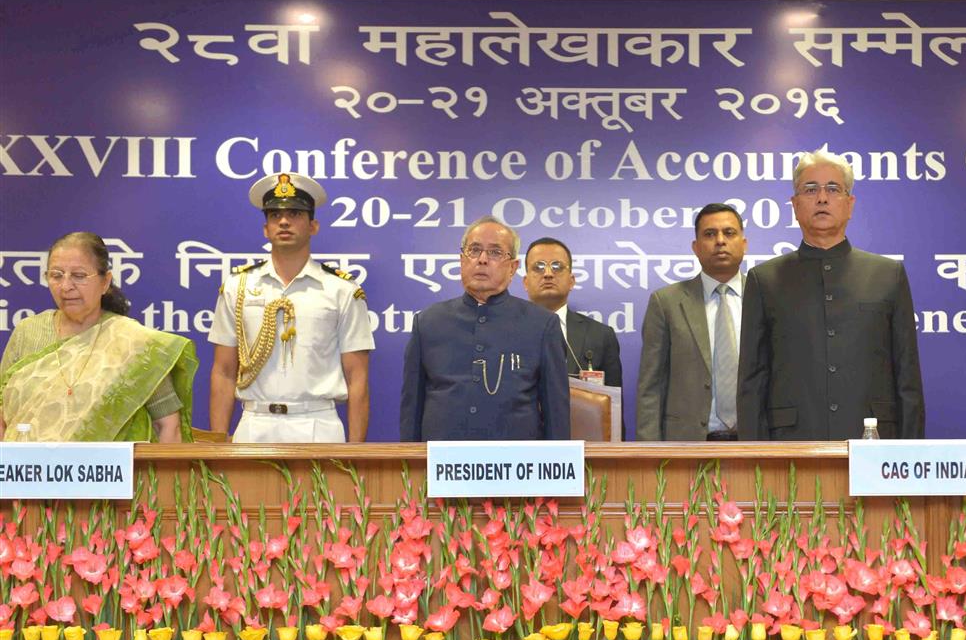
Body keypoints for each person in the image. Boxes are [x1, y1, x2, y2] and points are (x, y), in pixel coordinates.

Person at [737, 147, 925, 440]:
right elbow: (752, 381)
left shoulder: (888, 274)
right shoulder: (764, 280)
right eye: (810, 189)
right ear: (795, 205)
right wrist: (753, 458)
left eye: (833, 189)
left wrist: (911, 456)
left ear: (850, 204)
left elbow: (907, 377)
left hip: (874, 444)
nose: (822, 198)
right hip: (791, 443)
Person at [207, 173, 373, 443]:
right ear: (265, 229)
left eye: (295, 213)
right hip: (254, 424)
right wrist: (216, 446)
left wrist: (356, 452)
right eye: (274, 215)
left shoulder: (342, 290)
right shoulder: (238, 287)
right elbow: (223, 372)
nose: (283, 221)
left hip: (319, 425)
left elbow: (358, 377)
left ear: (313, 226)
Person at [0, 232, 195, 442]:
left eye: (79, 276)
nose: (66, 286)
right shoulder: (28, 332)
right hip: (26, 470)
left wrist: (159, 473)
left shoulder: (132, 341)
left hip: (109, 472)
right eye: (56, 275)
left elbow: (167, 425)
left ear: (105, 282)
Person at [400, 216, 570, 441]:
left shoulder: (542, 325)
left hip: (516, 466)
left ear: (513, 267)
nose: (482, 260)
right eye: (475, 250)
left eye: (495, 252)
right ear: (462, 260)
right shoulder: (428, 322)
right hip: (443, 465)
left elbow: (556, 414)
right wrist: (411, 467)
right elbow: (412, 409)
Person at [637, 202, 748, 441]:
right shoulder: (666, 303)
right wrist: (648, 453)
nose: (720, 240)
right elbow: (651, 388)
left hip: (756, 443)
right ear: (696, 247)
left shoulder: (765, 297)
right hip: (686, 444)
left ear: (744, 244)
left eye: (729, 233)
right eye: (710, 234)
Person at [522, 237, 623, 387]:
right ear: (525, 282)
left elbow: (612, 405)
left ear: (571, 281)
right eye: (539, 267)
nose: (548, 274)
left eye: (557, 267)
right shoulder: (505, 331)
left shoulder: (601, 336)